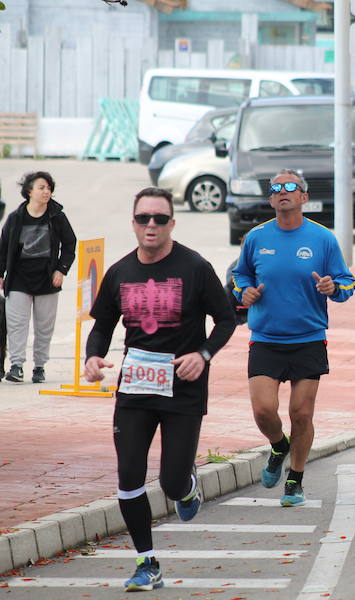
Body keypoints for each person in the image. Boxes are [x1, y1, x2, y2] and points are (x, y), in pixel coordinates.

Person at [84, 187, 236, 591]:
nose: (151, 225)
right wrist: (92, 357)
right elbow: (102, 326)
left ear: (172, 223)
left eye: (160, 219)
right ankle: (146, 562)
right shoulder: (119, 272)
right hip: (135, 389)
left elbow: (226, 320)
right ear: (133, 223)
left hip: (183, 390)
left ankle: (186, 486)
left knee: (171, 483)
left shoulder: (195, 267)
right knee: (129, 475)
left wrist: (203, 354)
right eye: (143, 218)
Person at [232, 169, 355, 507]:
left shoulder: (323, 238)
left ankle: (295, 479)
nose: (282, 191)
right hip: (266, 338)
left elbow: (347, 282)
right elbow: (240, 275)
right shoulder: (256, 237)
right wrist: (244, 292)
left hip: (308, 338)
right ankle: (278, 445)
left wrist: (332, 287)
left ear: (304, 196)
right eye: (276, 188)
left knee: (301, 414)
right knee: (263, 410)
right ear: (271, 199)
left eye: (290, 187)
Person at [0, 171, 76, 384]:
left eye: (49, 188)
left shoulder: (57, 216)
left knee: (44, 326)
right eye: (41, 188)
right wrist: (0, 273)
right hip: (18, 277)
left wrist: (61, 270)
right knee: (16, 324)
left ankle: (39, 367)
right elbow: (3, 247)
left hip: (47, 278)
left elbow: (70, 244)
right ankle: (16, 366)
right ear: (29, 191)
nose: (46, 192)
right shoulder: (15, 218)